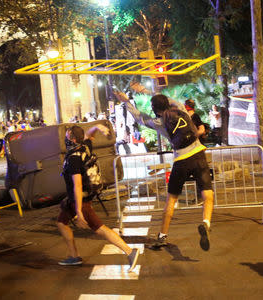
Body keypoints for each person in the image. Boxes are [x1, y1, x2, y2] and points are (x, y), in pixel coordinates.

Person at [115, 87, 214, 251]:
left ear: (155, 109)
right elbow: (171, 101)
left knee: (171, 199)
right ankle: (206, 222)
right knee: (207, 192)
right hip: (198, 154)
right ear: (167, 103)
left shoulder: (159, 122)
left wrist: (126, 101)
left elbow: (140, 118)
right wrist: (149, 92)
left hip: (181, 160)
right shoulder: (181, 109)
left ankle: (162, 236)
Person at [57, 124, 139, 271]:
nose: (66, 138)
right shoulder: (85, 147)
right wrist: (99, 126)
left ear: (73, 139)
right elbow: (89, 133)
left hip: (80, 200)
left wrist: (79, 211)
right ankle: (74, 256)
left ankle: (129, 251)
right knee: (62, 222)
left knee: (99, 228)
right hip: (75, 199)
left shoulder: (74, 158)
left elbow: (77, 185)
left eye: (68, 136)